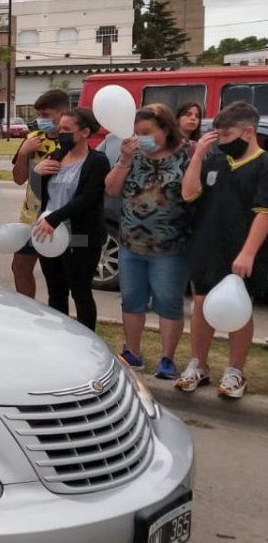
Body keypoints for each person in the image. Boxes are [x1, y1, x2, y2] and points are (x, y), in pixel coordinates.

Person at [176, 101, 268, 399]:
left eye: (226, 135)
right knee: (201, 305)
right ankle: (199, 365)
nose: (221, 142)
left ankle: (236, 371)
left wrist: (248, 253)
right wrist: (199, 155)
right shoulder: (214, 160)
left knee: (239, 310)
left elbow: (264, 212)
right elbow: (189, 193)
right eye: (217, 135)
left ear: (248, 132)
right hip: (207, 244)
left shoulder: (263, 164)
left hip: (242, 250)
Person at [105, 104, 191, 378]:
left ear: (165, 129)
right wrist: (124, 161)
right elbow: (112, 188)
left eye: (146, 132)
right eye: (136, 132)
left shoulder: (185, 155)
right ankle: (132, 352)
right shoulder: (133, 157)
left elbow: (193, 193)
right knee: (132, 300)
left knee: (168, 302)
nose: (139, 137)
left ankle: (167, 359)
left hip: (170, 247)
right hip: (131, 244)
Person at [32, 109, 109, 332]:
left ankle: (87, 338)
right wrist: (36, 174)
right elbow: (39, 195)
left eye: (67, 129)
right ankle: (59, 337)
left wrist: (55, 219)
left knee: (80, 291)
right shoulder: (55, 156)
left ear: (84, 132)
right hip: (49, 236)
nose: (61, 134)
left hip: (81, 236)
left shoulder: (97, 161)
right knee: (56, 291)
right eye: (60, 129)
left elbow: (88, 198)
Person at [10, 89, 70, 297]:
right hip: (30, 217)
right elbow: (18, 179)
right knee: (20, 267)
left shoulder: (71, 140)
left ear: (62, 114)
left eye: (45, 115)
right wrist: (25, 151)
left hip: (57, 218)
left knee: (56, 274)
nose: (40, 120)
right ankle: (27, 310)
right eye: (38, 115)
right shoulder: (33, 138)